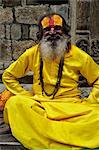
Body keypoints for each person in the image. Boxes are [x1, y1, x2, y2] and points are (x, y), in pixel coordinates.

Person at [1, 13, 99, 150]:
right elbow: (8, 75)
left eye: (57, 28)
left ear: (65, 31)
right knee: (14, 103)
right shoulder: (32, 53)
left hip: (71, 107)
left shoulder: (78, 55)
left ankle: (45, 137)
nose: (52, 32)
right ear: (41, 33)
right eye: (47, 30)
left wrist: (92, 101)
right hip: (41, 105)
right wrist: (26, 95)